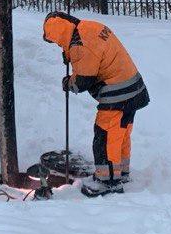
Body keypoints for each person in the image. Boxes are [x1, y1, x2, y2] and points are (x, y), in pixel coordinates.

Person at [42, 11, 150, 197]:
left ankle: (107, 182)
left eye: (58, 42)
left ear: (59, 34)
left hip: (118, 94)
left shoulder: (80, 45)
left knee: (105, 137)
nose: (59, 46)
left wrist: (68, 83)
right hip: (132, 89)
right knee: (119, 135)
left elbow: (83, 80)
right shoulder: (89, 27)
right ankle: (120, 173)